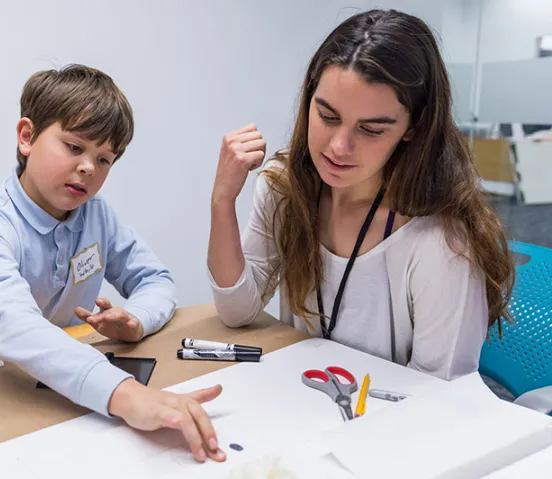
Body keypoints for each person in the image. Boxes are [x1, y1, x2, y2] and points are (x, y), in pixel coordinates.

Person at [207, 9, 515, 380]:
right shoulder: (285, 188)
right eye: (328, 116)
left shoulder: (441, 241)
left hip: (396, 427)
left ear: (413, 128)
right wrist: (223, 202)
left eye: (370, 129)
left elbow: (440, 398)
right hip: (303, 408)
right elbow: (237, 312)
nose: (339, 147)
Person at [0, 64, 225, 463]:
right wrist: (127, 395)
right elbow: (14, 326)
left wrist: (137, 319)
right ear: (27, 137)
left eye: (105, 159)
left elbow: (155, 278)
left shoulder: (97, 216)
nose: (89, 167)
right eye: (74, 147)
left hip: (66, 384)